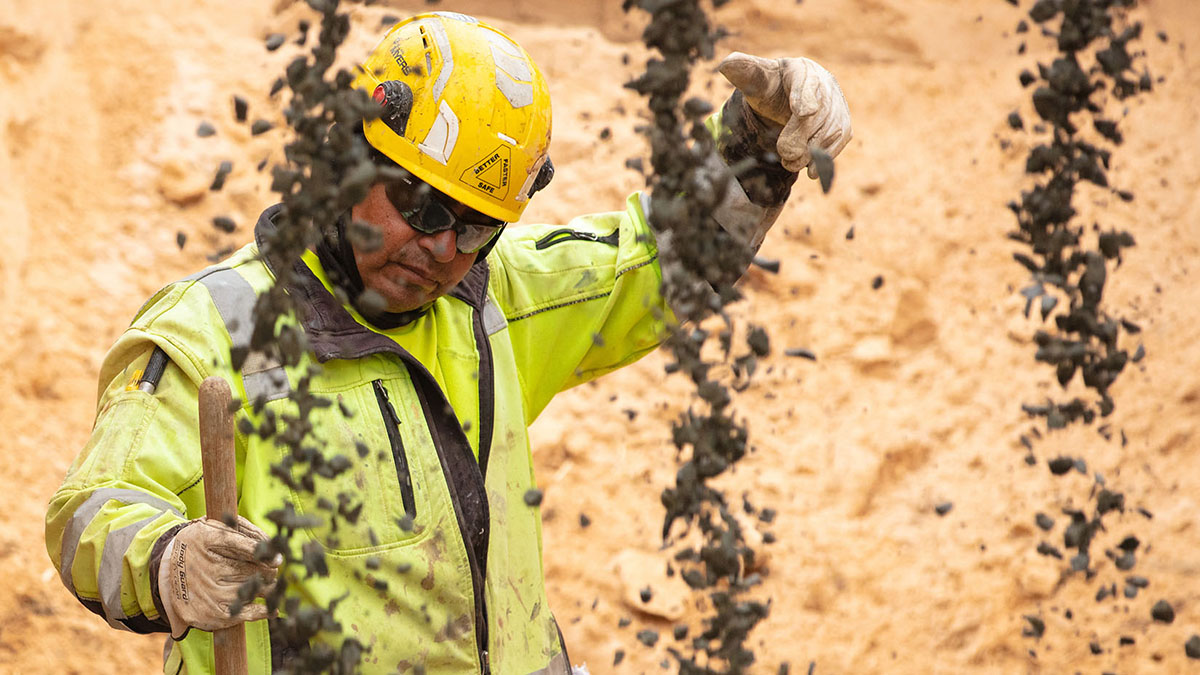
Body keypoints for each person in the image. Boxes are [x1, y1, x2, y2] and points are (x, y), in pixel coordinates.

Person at [45, 11, 851, 674]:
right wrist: (168, 561)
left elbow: (657, 263)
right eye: (421, 207)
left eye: (475, 227)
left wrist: (758, 140)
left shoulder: (487, 303)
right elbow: (92, 511)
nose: (441, 249)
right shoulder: (215, 331)